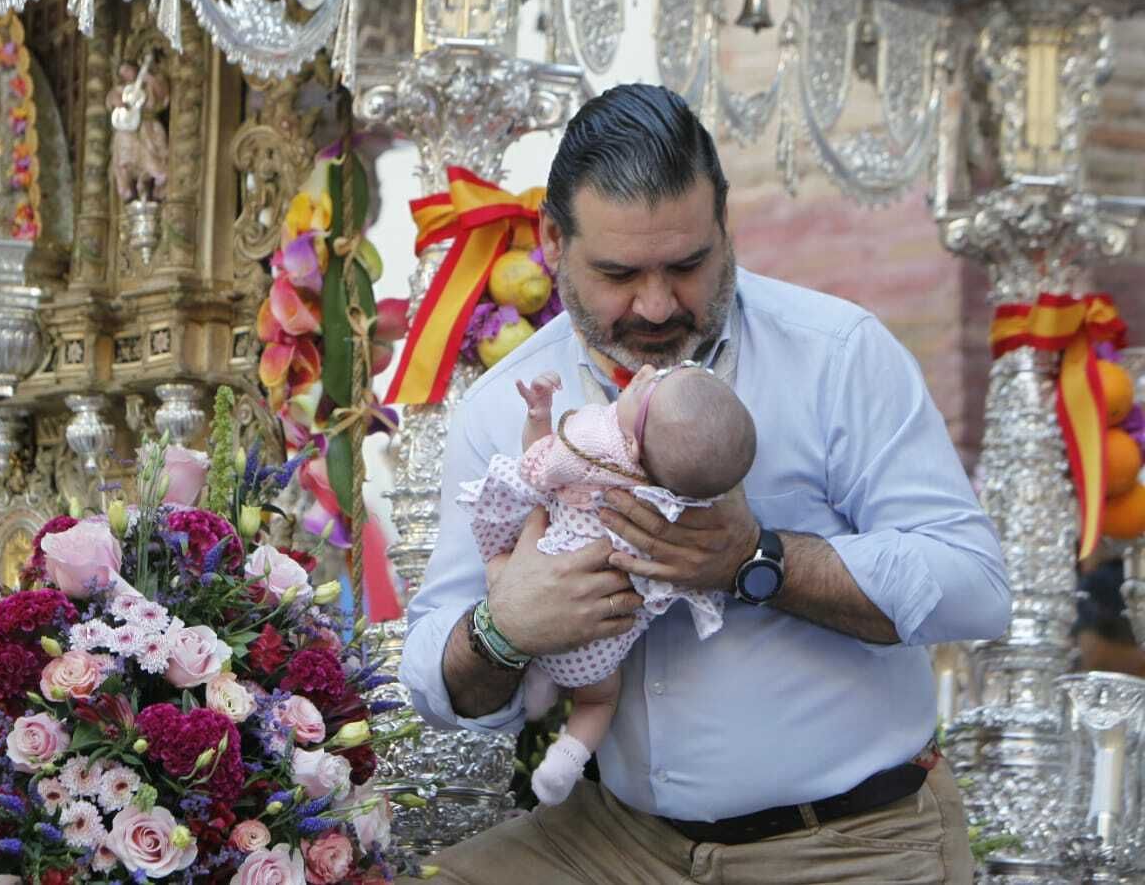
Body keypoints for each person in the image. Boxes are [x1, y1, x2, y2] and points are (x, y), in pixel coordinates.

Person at [398, 84, 1010, 885]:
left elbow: (975, 589)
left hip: (848, 842)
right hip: (616, 841)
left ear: (724, 224)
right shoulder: (506, 405)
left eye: (687, 265)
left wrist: (756, 560)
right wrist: (503, 629)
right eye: (618, 273)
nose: (657, 306)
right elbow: (434, 676)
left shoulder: (838, 356)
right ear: (553, 240)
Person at [463, 364, 756, 806]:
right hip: (602, 647)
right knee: (597, 703)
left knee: (500, 565)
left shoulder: (595, 449)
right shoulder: (685, 504)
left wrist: (540, 415)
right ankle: (565, 760)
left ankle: (536, 682)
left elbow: (536, 463)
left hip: (537, 599)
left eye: (645, 391)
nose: (643, 376)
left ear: (633, 445)